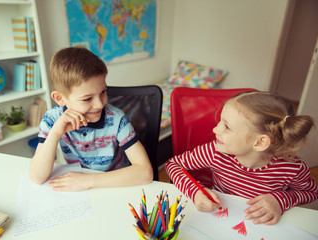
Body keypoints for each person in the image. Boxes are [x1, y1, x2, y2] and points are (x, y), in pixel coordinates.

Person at [165, 90, 318, 226]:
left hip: (259, 226)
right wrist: (195, 191)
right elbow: (173, 165)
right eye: (220, 122)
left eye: (227, 127)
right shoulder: (214, 152)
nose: (215, 129)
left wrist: (280, 200)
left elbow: (311, 192)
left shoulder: (291, 167)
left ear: (259, 142)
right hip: (217, 220)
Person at [29, 46, 153, 191]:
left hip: (115, 184)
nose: (100, 104)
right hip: (80, 187)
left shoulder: (117, 119)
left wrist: (87, 180)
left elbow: (145, 173)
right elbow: (37, 177)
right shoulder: (52, 120)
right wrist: (56, 133)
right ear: (59, 98)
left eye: (103, 92)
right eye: (87, 99)